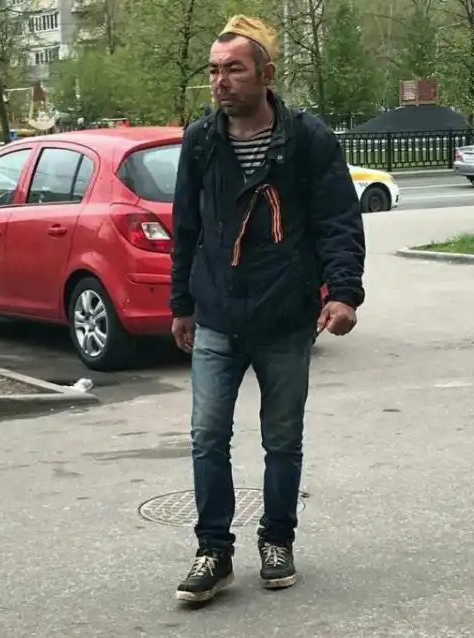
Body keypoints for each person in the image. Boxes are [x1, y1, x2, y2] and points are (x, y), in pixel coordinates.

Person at [171, 14, 365, 603]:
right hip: (218, 315)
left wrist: (343, 292)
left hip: (284, 316)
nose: (220, 81)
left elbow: (337, 219)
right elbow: (186, 228)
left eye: (233, 69)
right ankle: (213, 551)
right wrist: (182, 303)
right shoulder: (201, 141)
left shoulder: (307, 138)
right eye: (214, 70)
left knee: (282, 440)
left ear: (266, 74)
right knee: (207, 437)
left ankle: (277, 540)